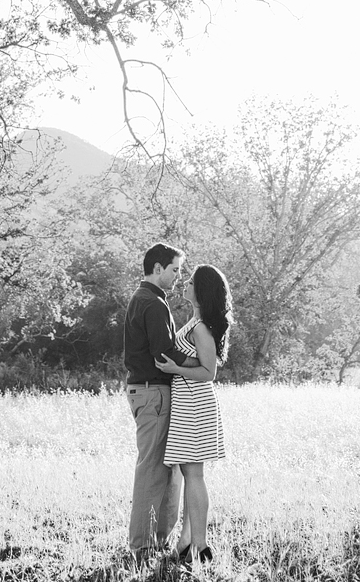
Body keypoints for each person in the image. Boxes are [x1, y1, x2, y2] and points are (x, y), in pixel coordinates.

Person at [156, 263, 233, 567]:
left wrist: (175, 369)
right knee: (190, 474)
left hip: (196, 403)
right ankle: (186, 542)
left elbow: (209, 372)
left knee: (194, 474)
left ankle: (200, 545)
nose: (184, 284)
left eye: (190, 281)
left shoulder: (201, 328)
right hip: (187, 402)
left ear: (201, 290)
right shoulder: (195, 321)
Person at [123, 242, 185, 556]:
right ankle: (143, 545)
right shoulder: (152, 303)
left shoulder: (144, 298)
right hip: (152, 392)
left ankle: (157, 541)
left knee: (166, 468)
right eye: (174, 269)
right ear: (158, 268)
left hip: (148, 391)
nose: (178, 276)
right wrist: (203, 364)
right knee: (151, 470)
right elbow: (165, 354)